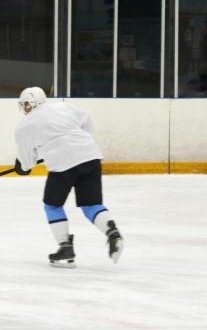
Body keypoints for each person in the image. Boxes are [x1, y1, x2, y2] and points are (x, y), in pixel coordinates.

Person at [13, 86, 124, 267]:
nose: (24, 108)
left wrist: (22, 166)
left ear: (32, 103)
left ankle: (65, 248)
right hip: (90, 155)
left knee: (52, 205)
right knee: (91, 204)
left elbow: (26, 163)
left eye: (25, 104)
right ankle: (113, 233)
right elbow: (86, 122)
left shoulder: (24, 126)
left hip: (62, 164)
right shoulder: (62, 106)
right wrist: (76, 144)